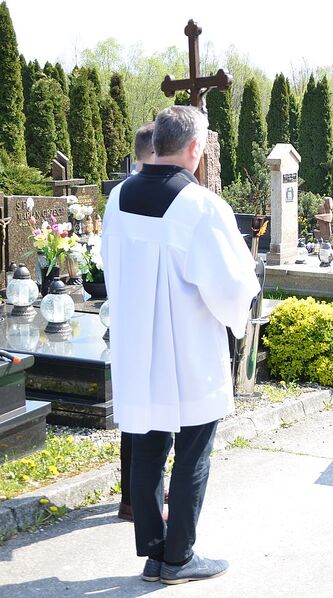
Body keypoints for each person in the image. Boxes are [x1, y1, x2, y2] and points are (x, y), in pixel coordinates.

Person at [102, 106, 260, 584]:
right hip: (185, 349)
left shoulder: (118, 197)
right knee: (194, 448)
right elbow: (232, 285)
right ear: (195, 148)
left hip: (138, 347)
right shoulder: (201, 205)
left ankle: (154, 551)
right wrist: (241, 310)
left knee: (149, 442)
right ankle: (180, 556)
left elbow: (111, 263)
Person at [116, 122, 155, 524]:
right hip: (149, 316)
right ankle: (140, 501)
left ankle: (129, 498)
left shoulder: (120, 195)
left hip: (127, 314)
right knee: (150, 418)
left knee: (133, 414)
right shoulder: (141, 194)